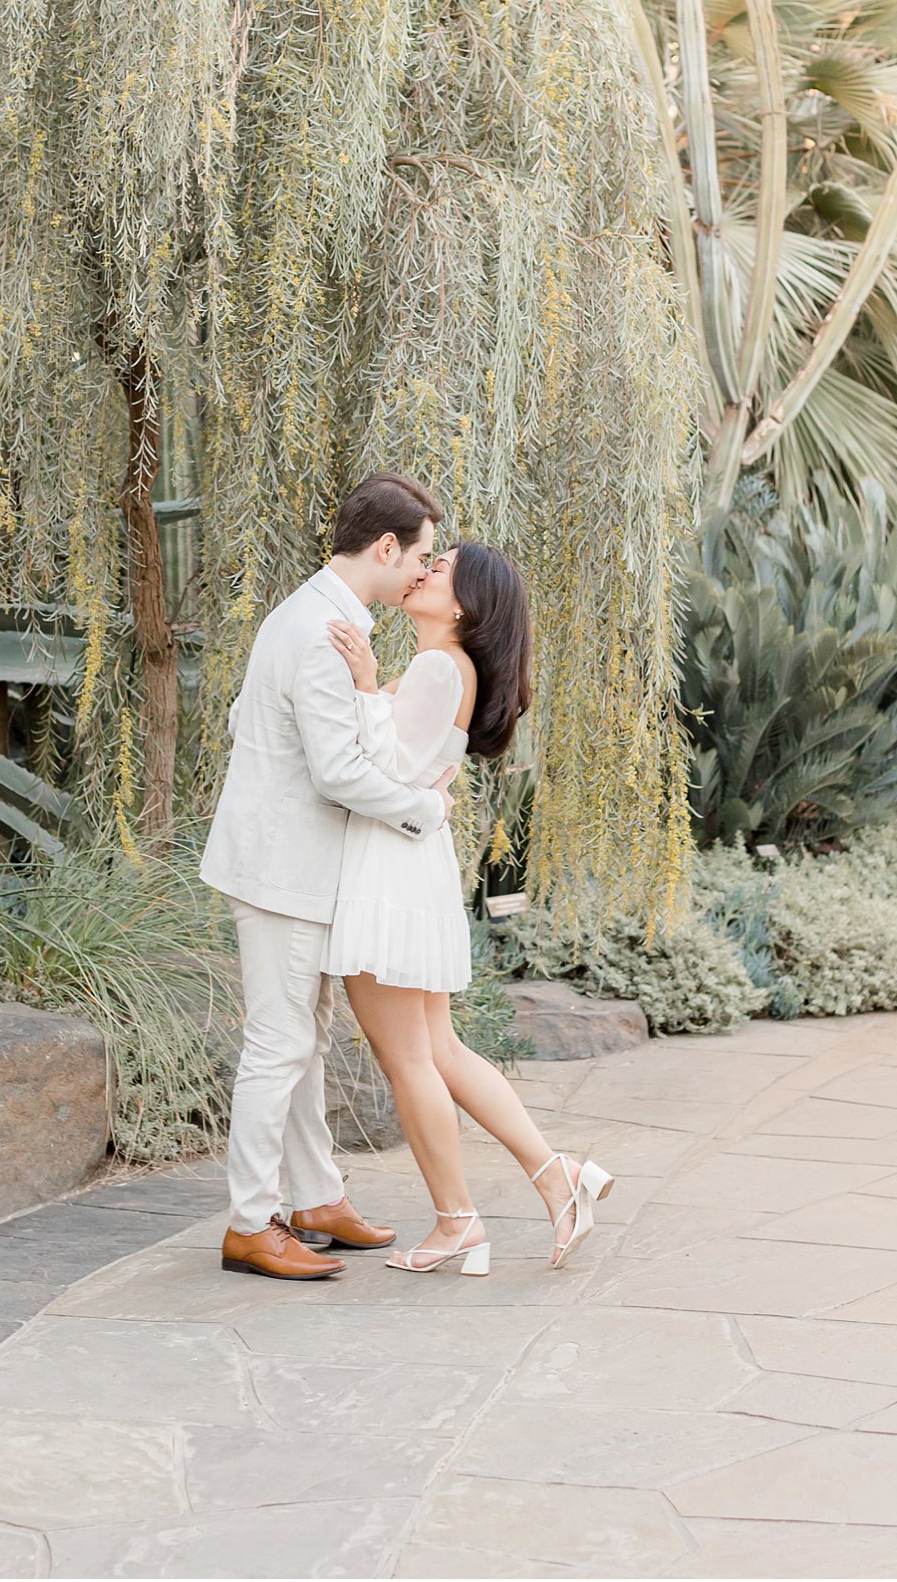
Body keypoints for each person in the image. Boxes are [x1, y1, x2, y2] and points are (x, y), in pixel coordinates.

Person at [323, 542, 613, 1275]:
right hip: (411, 864)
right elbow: (416, 769)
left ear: (463, 606)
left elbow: (380, 767)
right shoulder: (446, 668)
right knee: (440, 1050)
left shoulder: (437, 665)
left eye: (442, 567)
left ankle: (459, 1220)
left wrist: (361, 684)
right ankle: (558, 1177)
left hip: (389, 869)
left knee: (410, 1057)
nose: (423, 570)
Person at [200, 472, 459, 1282]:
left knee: (304, 1040)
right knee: (279, 1044)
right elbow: (340, 770)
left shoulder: (325, 617)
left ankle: (316, 1197)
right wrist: (425, 809)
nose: (422, 573)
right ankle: (250, 1221)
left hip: (299, 865)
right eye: (417, 557)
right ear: (384, 547)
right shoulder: (320, 628)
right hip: (282, 869)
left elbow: (256, 724)